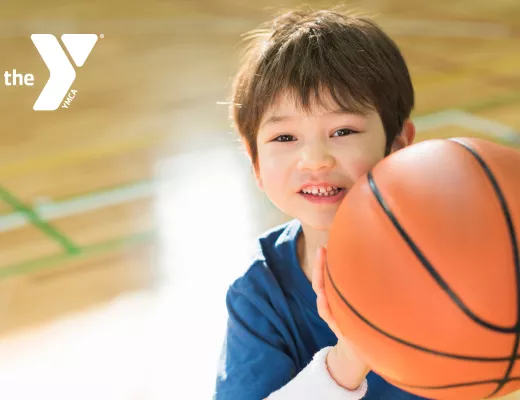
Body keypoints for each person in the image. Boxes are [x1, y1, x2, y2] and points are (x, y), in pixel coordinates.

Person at [214, 7, 425, 399]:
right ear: (255, 163)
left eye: (342, 130)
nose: (315, 159)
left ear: (397, 145)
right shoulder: (261, 296)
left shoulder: (450, 252)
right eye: (284, 138)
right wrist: (348, 360)